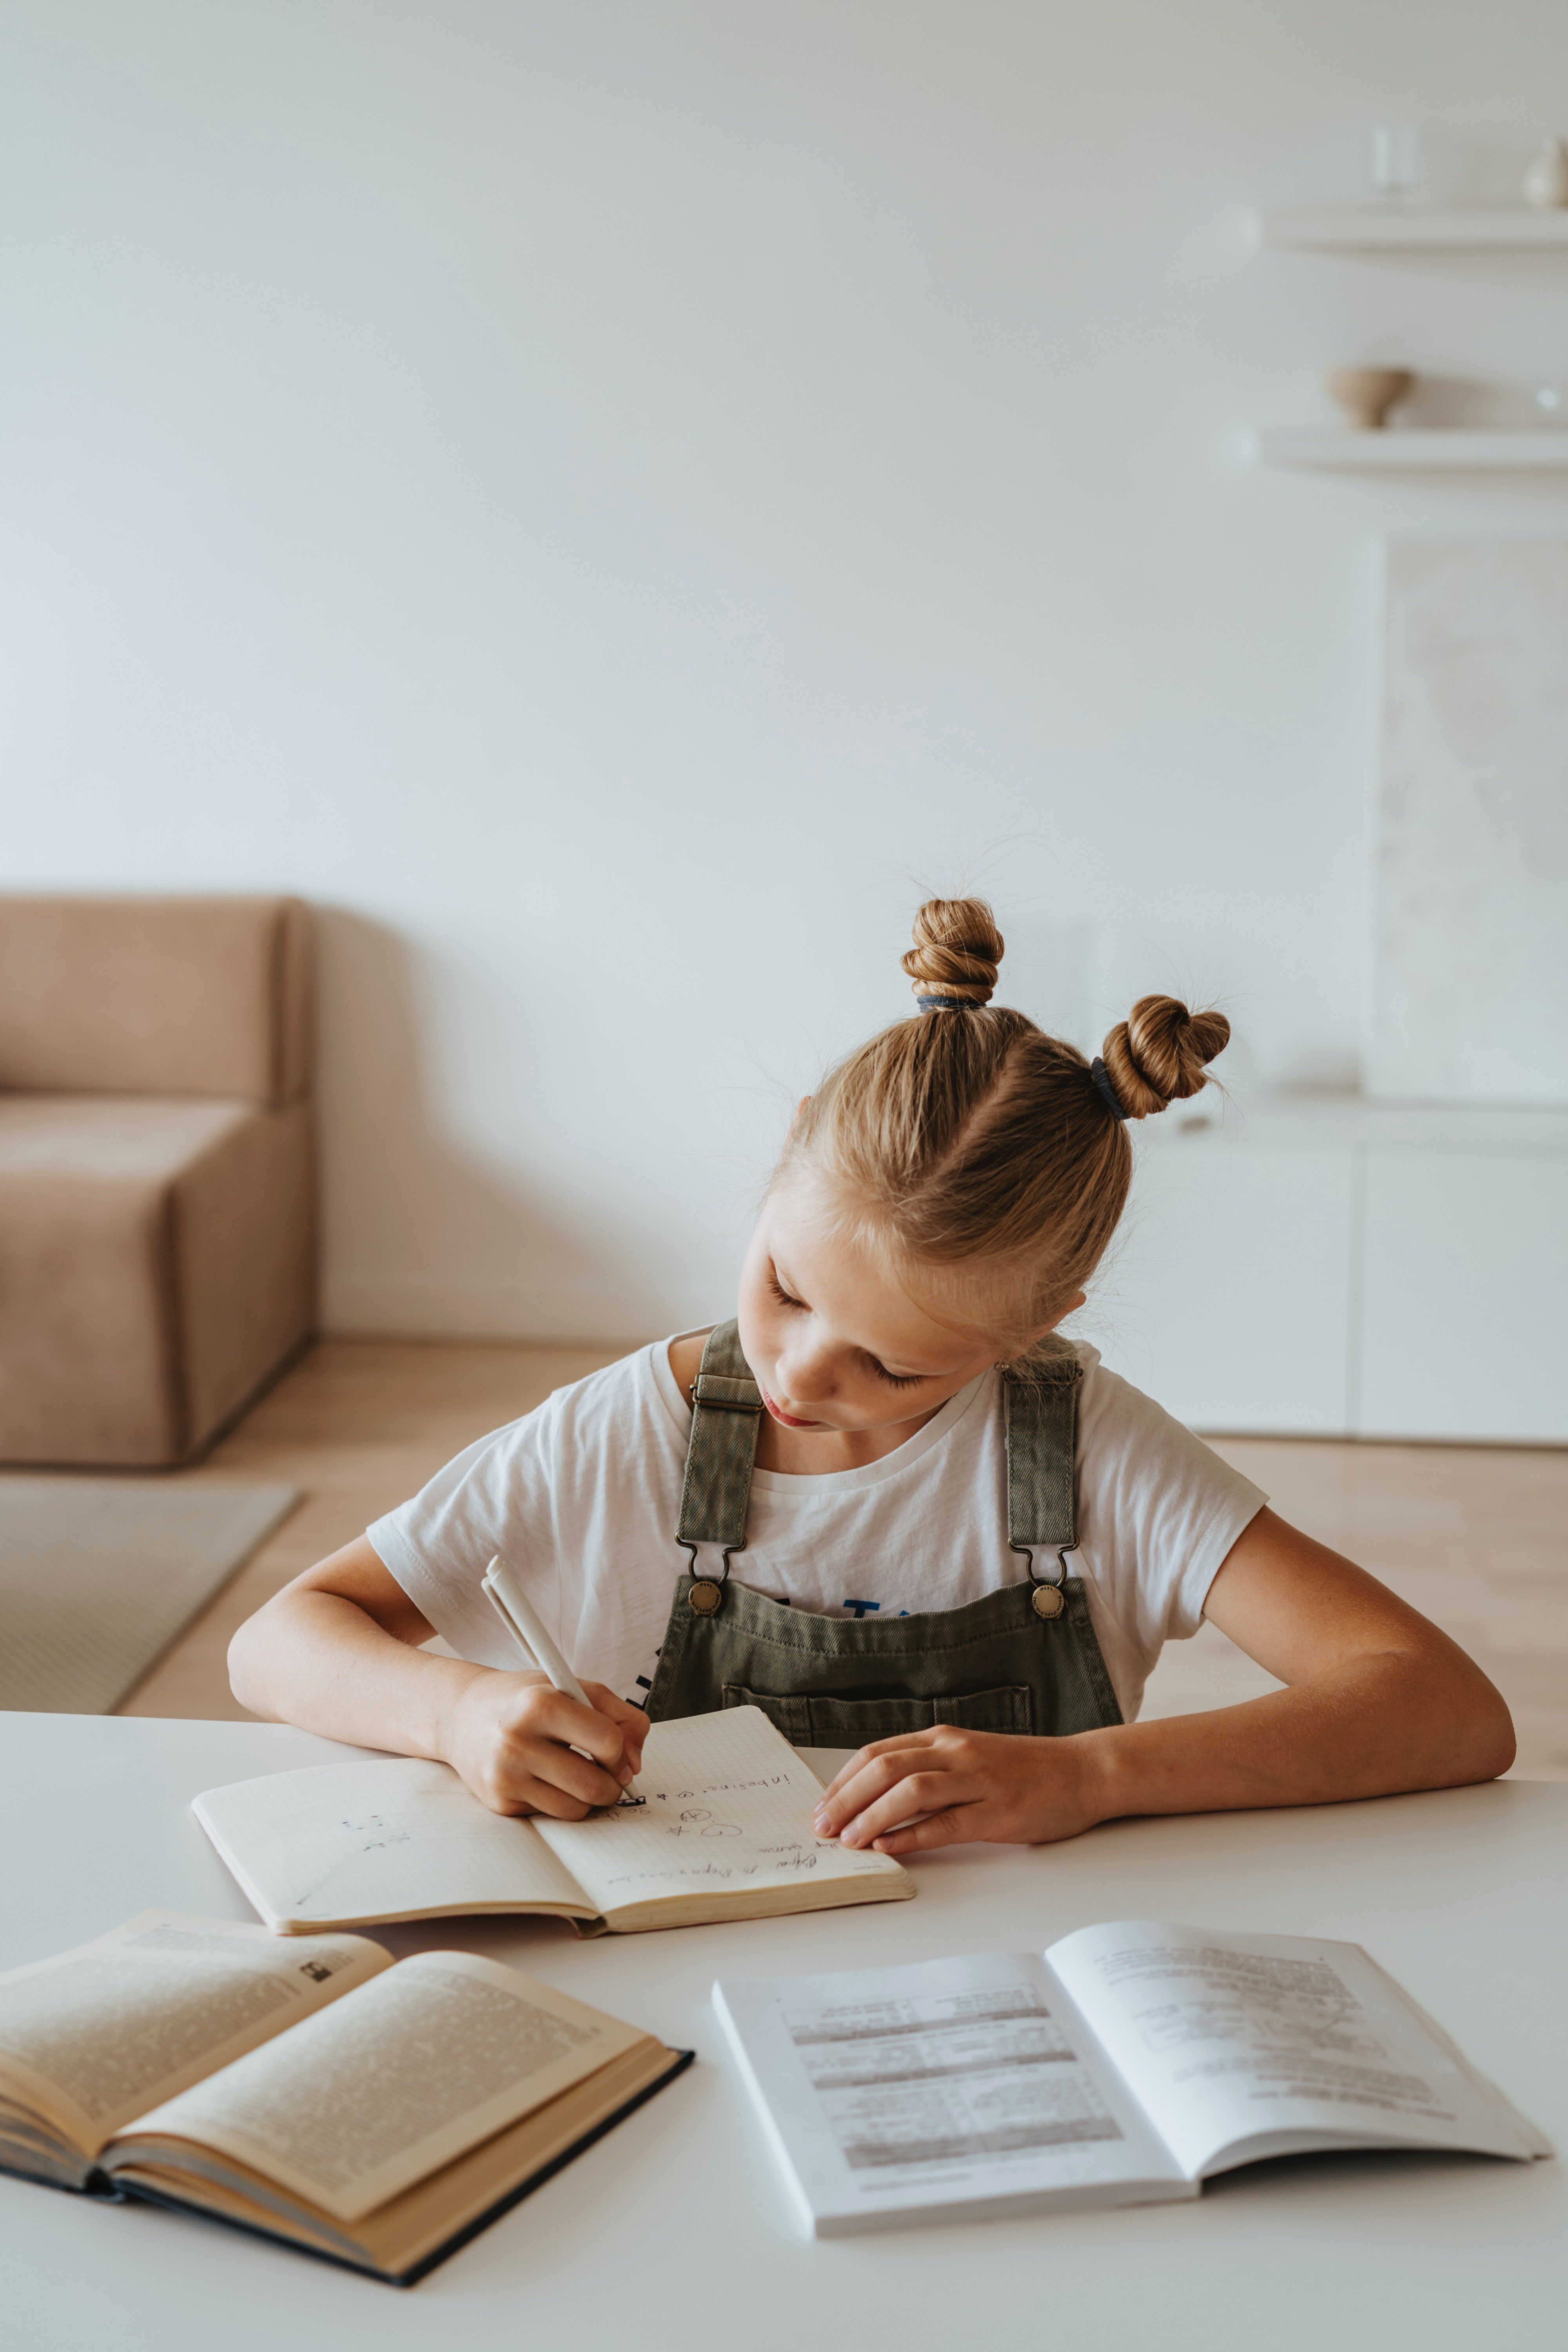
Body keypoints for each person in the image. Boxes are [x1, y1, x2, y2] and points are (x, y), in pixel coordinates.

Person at [229, 898, 1514, 1857]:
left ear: (1036, 1325)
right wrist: (457, 1714)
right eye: (786, 1289)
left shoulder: (1093, 1455)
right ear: (790, 1151)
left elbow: (1445, 1710)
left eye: (895, 1364)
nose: (797, 1368)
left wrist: (1094, 1779)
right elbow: (278, 1641)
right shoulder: (627, 1433)